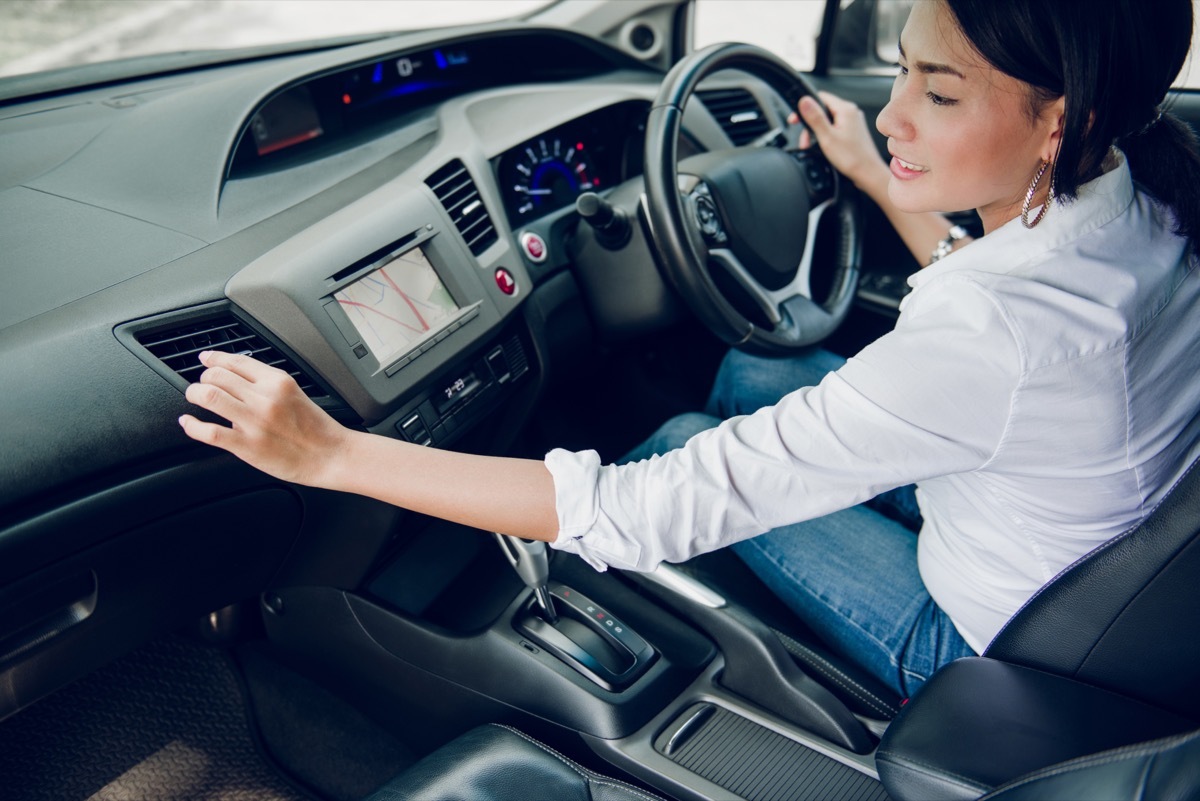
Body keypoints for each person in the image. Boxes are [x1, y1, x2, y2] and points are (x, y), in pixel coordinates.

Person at [180, 0, 1200, 698]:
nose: (891, 114)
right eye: (900, 73)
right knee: (757, 373)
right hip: (1089, 567)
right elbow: (1006, 329)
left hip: (992, 649)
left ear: (1062, 121)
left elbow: (637, 511)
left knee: (671, 437)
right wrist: (875, 174)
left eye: (937, 92)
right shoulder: (1145, 190)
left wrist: (333, 456)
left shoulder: (990, 335)